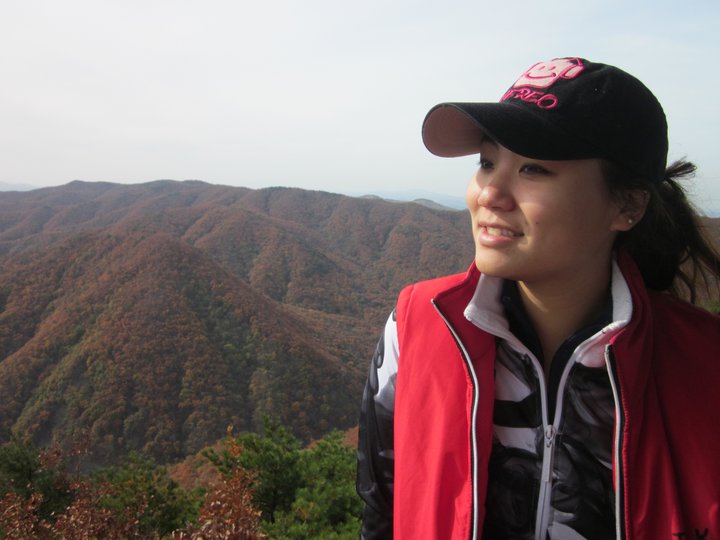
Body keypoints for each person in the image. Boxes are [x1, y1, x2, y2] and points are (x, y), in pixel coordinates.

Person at [355, 57, 720, 540]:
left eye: (533, 168)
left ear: (626, 205)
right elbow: (382, 512)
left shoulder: (705, 365)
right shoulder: (418, 326)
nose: (490, 193)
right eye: (487, 162)